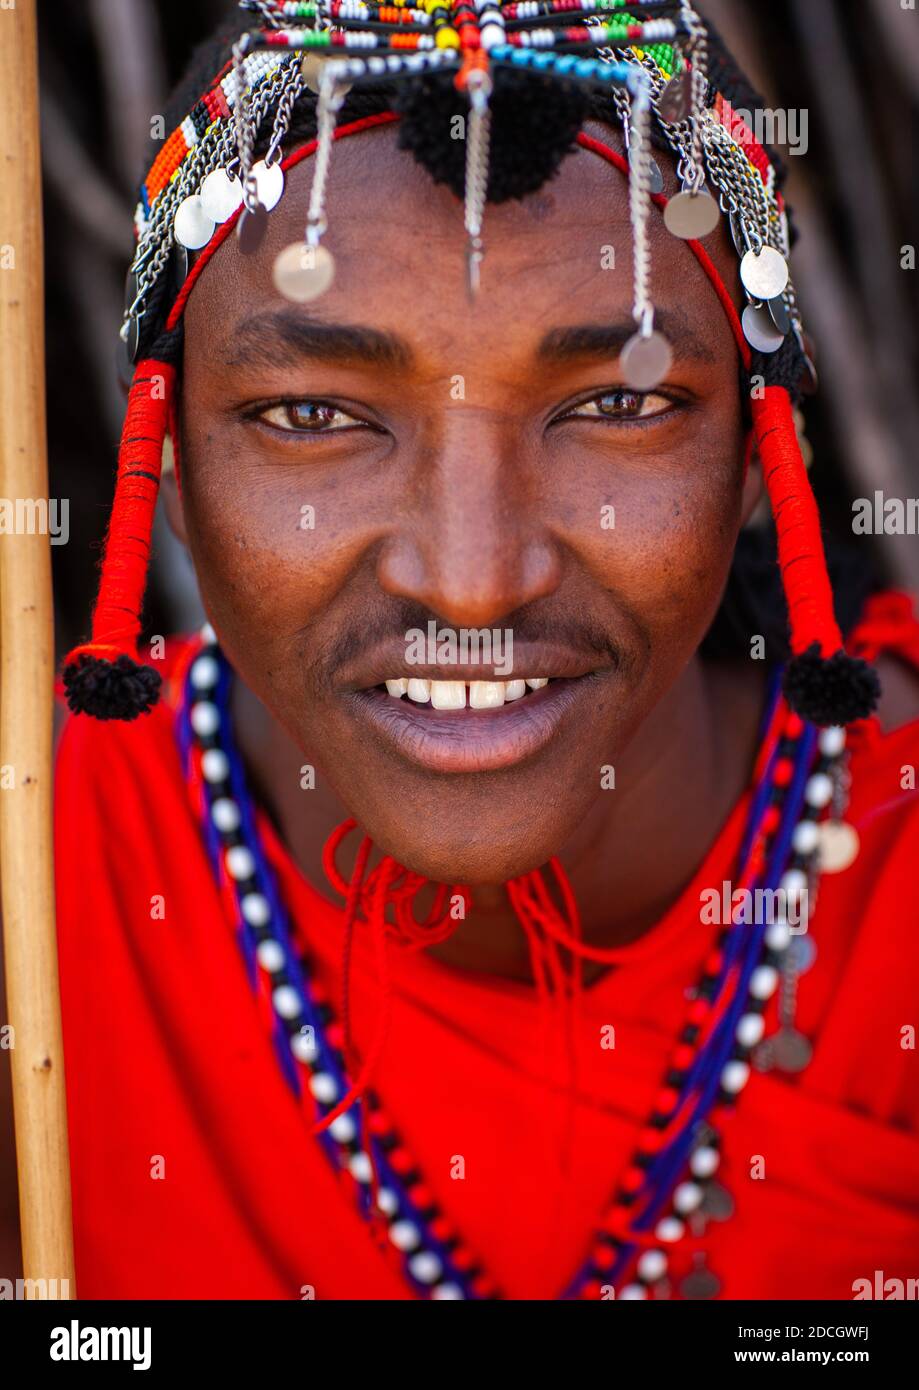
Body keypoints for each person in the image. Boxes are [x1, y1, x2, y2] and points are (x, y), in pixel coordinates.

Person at [52, 0, 919, 1299]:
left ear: (759, 455)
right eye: (311, 412)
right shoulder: (48, 886)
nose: (470, 581)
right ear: (168, 466)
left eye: (617, 404)